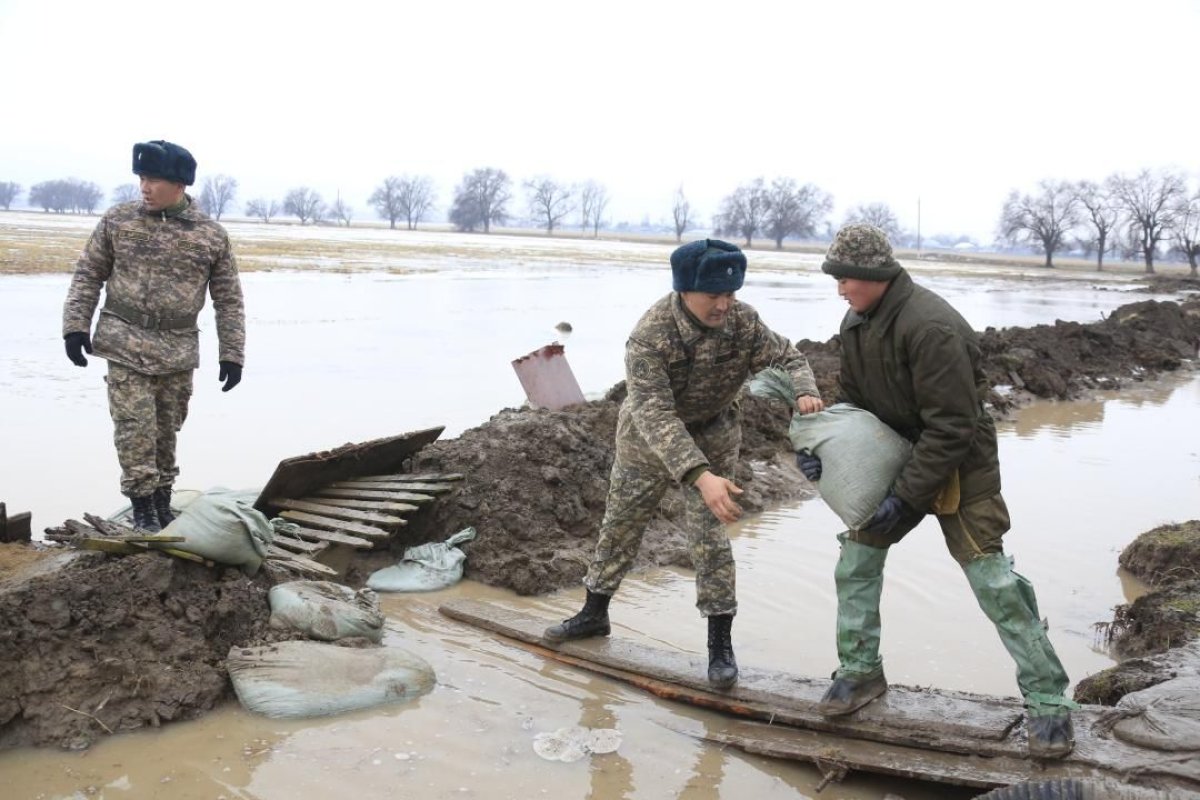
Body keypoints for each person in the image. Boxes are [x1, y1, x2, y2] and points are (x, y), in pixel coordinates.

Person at [797, 223, 1076, 758]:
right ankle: (861, 672)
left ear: (876, 275)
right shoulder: (856, 323)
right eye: (836, 279)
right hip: (892, 455)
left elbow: (952, 427)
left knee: (994, 581)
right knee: (856, 560)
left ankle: (1048, 700)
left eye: (846, 278)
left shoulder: (932, 327)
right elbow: (854, 405)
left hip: (959, 463)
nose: (840, 289)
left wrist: (905, 498)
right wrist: (824, 447)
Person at [543, 238, 824, 689]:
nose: (724, 304)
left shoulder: (744, 321)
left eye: (730, 293)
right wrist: (698, 476)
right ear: (684, 290)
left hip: (715, 436)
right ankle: (593, 614)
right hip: (647, 441)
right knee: (620, 525)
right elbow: (654, 414)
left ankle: (720, 646)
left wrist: (804, 389)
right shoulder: (650, 335)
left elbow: (788, 356)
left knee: (711, 539)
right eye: (713, 294)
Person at [61, 140, 245, 533]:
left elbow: (228, 300)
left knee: (166, 430)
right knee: (134, 428)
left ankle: (162, 501)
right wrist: (75, 327)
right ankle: (143, 508)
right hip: (123, 343)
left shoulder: (210, 235)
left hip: (177, 350)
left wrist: (232, 354)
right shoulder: (118, 221)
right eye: (141, 178)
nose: (144, 187)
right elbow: (88, 275)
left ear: (179, 184)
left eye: (154, 180)